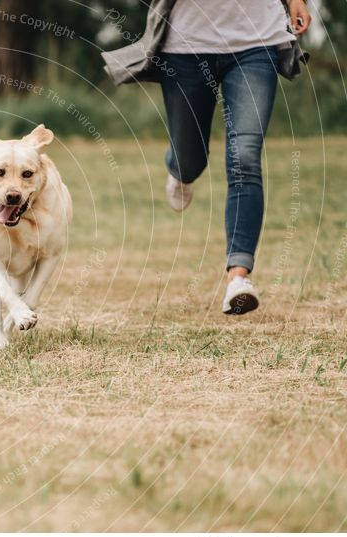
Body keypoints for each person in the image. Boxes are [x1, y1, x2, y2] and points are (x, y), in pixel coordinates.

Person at [102, 0, 310, 315]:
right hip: (186, 45)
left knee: (245, 157)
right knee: (190, 159)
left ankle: (238, 278)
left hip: (257, 41)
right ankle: (180, 170)